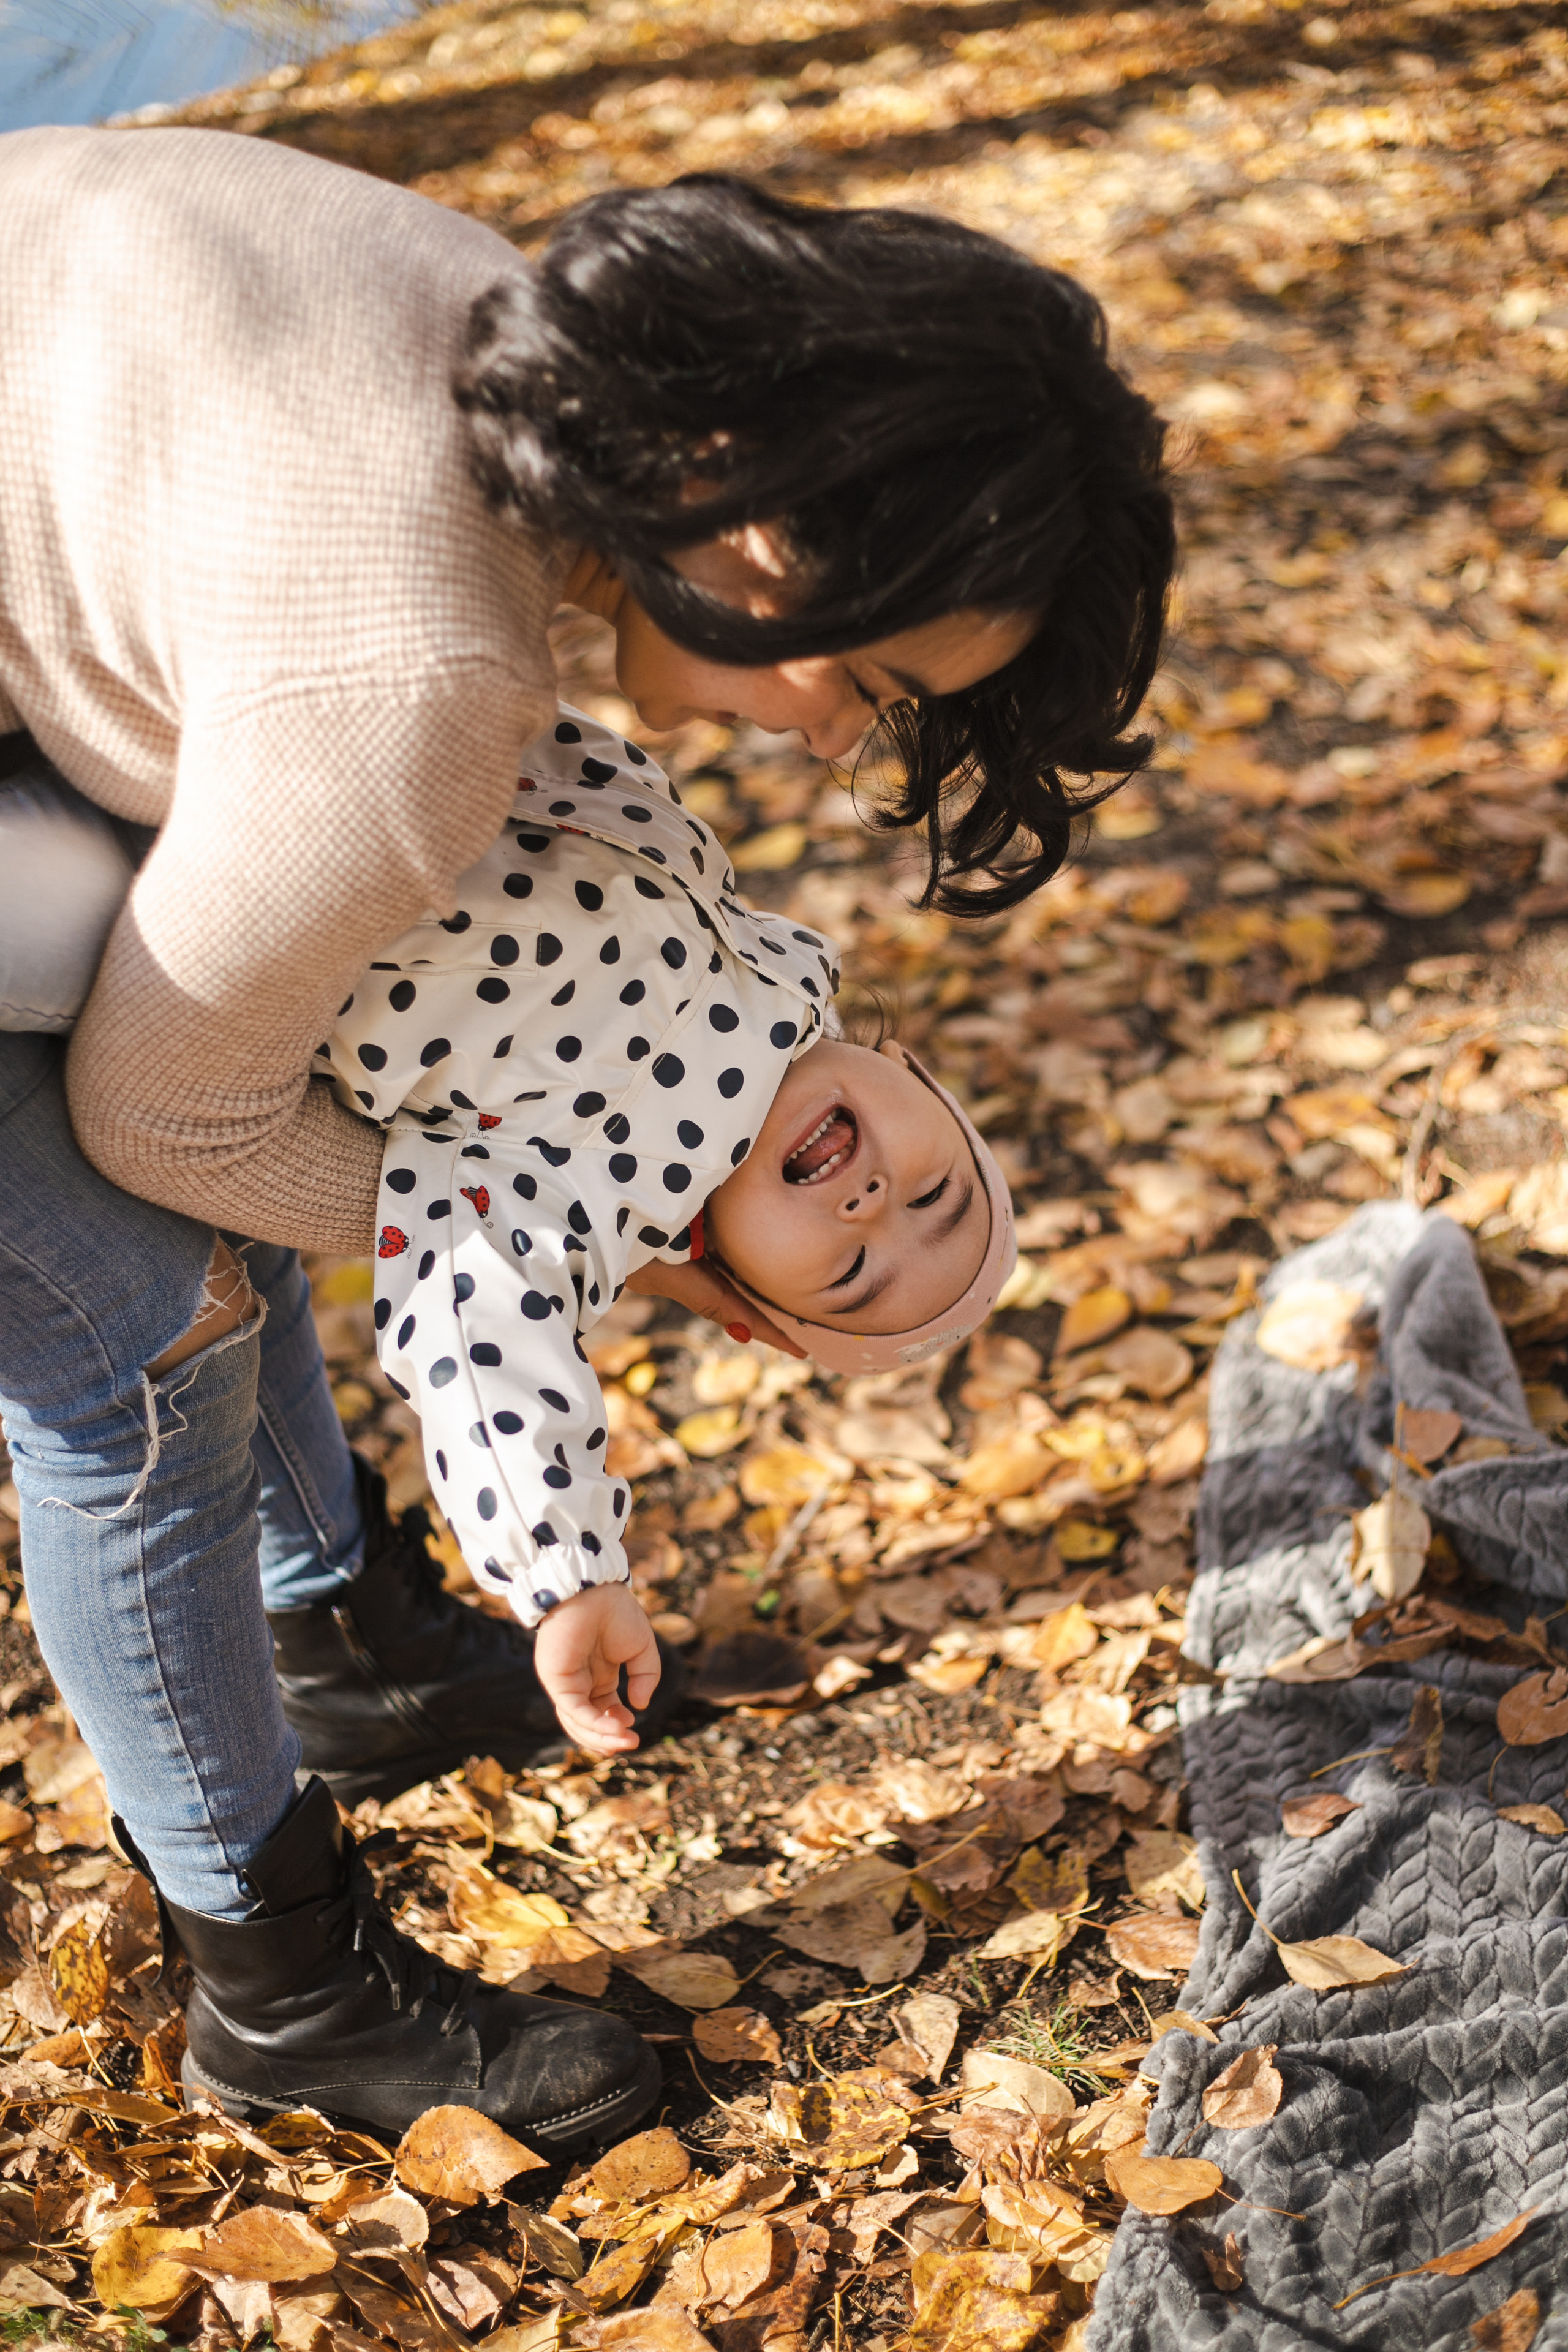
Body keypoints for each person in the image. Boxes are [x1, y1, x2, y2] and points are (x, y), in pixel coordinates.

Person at [0, 124, 1172, 2142]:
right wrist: (519, 1221)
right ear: (775, 540)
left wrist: (510, 1189)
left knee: (244, 1078)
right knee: (146, 1332)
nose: (831, 739)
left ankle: (346, 1638)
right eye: (873, 677)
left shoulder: (504, 330)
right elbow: (157, 1104)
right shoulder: (428, 684)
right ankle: (277, 1988)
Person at [307, 705, 1014, 1768]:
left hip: (225, 866)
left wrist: (571, 1579)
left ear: (737, 1289)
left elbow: (485, 1357)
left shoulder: (584, 1203)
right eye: (934, 1194)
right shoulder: (757, 949)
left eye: (853, 1272)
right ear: (913, 1075)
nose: (871, 1205)